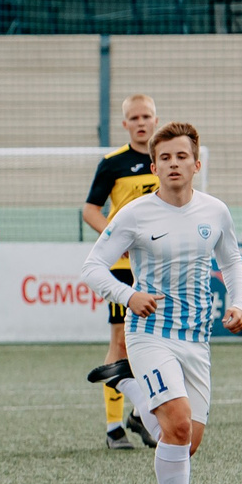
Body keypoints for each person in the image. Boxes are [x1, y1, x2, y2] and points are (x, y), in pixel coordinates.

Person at [82, 122, 242, 484]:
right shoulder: (135, 213)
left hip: (196, 339)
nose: (174, 164)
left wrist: (239, 304)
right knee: (174, 426)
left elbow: (232, 263)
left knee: (186, 442)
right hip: (149, 334)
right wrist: (129, 294)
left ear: (196, 163)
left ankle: (130, 388)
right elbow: (93, 267)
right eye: (166, 158)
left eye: (182, 156)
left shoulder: (216, 211)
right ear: (154, 166)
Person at [81, 94, 163, 449]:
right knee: (121, 342)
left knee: (158, 343)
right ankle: (115, 427)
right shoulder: (113, 163)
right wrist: (117, 238)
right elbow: (90, 210)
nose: (141, 122)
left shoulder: (168, 158)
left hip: (161, 268)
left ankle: (139, 412)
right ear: (125, 123)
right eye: (135, 117)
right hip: (124, 270)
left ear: (156, 120)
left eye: (147, 116)